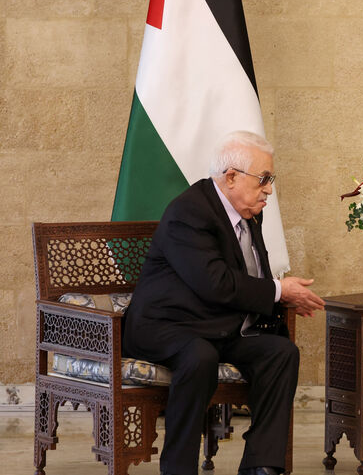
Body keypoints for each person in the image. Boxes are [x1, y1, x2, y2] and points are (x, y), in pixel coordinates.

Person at [123, 130, 325, 475]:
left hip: (217, 326)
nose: (269, 190)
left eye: (271, 179)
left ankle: (262, 465)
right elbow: (214, 283)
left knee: (281, 353)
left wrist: (281, 299)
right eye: (263, 180)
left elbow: (250, 274)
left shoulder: (248, 213)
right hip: (167, 327)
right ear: (231, 177)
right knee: (200, 355)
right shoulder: (189, 211)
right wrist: (279, 291)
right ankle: (178, 467)